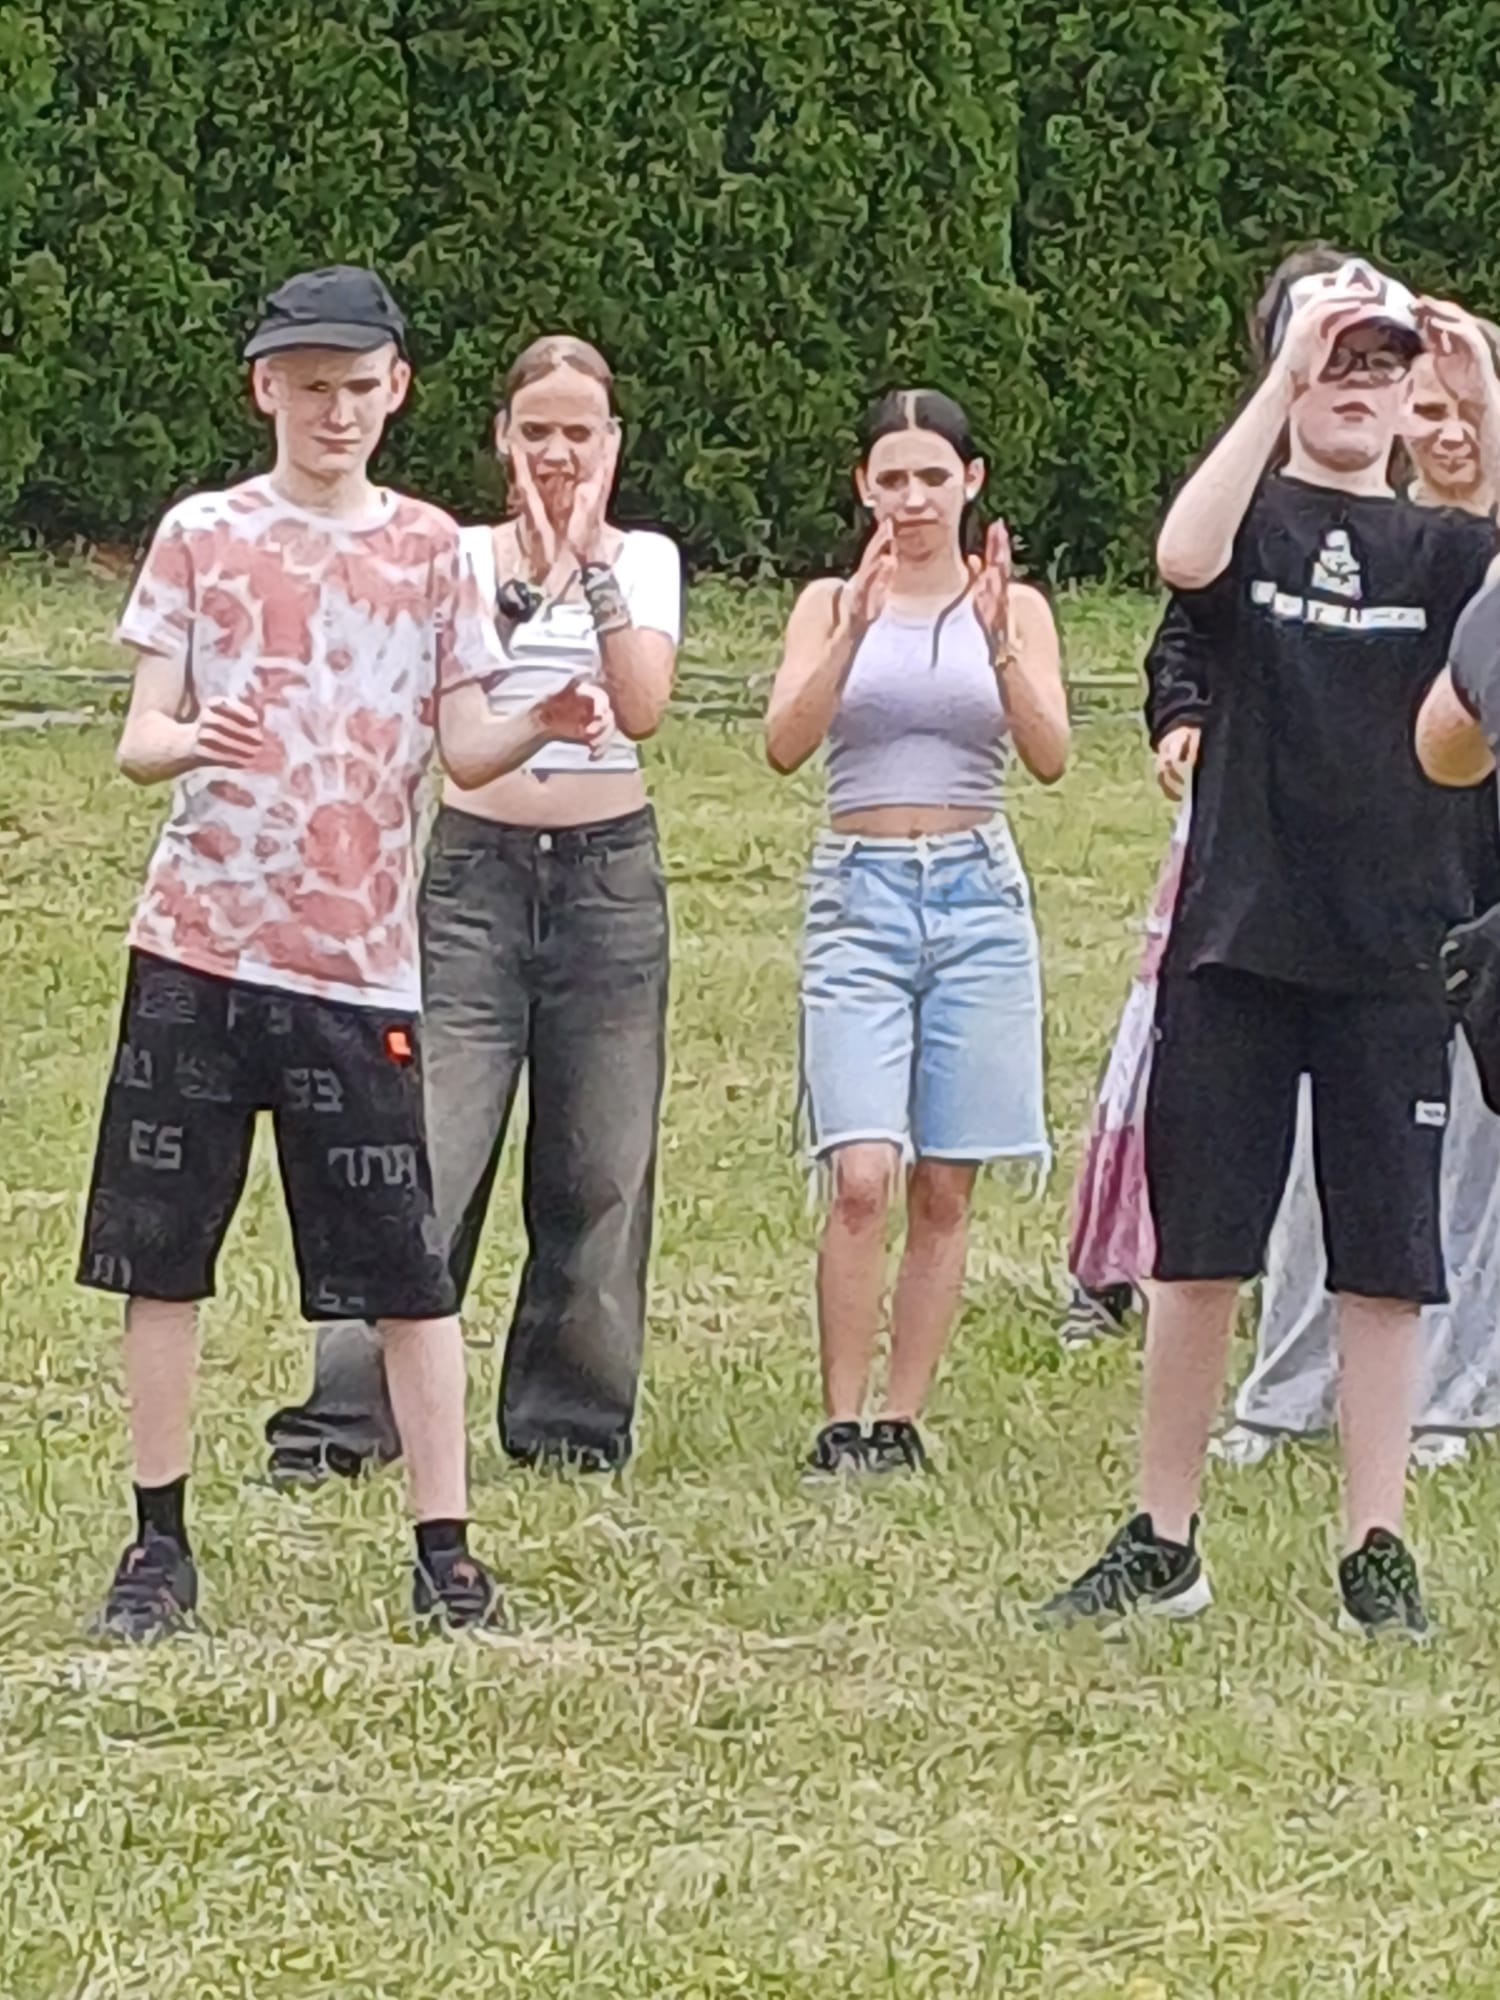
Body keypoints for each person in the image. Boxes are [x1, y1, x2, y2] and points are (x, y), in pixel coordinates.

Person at [80, 268, 612, 1638]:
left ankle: (446, 1550)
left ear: (397, 393)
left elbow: (465, 744)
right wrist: (187, 741)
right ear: (265, 389)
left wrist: (543, 718)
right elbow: (140, 737)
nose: (335, 412)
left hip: (357, 964)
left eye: (359, 388)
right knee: (162, 1254)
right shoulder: (202, 534)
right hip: (198, 945)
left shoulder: (431, 550)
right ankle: (157, 1541)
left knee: (404, 1269)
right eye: (310, 388)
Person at [1041, 256, 1500, 1636]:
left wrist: (1485, 401)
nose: (1361, 388)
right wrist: (1284, 378)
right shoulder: (1250, 518)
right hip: (1238, 940)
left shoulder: (1444, 549)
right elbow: (1183, 559)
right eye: (1335, 363)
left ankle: (1376, 1545)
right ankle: (1163, 1536)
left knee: (1386, 1259)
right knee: (1199, 1250)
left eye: (1384, 365)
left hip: (1395, 947)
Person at [263, 334, 680, 1483]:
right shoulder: (453, 553)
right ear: (502, 437)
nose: (557, 453)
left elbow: (642, 702)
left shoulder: (645, 559)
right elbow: (453, 686)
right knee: (426, 1146)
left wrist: (590, 563)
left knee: (602, 1160)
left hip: (607, 880)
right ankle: (349, 1415)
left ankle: (571, 1421)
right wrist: (540, 563)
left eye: (579, 433)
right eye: (536, 430)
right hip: (474, 878)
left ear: (612, 445)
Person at [765, 389, 1068, 1475]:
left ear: (970, 482)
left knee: (946, 1180)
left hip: (977, 894)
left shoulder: (1015, 606)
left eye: (933, 477)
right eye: (891, 479)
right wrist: (850, 634)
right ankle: (838, 1418)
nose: (912, 499)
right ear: (864, 488)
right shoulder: (828, 602)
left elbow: (1051, 756)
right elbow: (784, 744)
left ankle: (901, 1418)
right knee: (862, 1172)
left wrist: (998, 644)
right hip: (861, 893)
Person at [1215, 318, 1500, 1468]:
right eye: (1426, 408)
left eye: (1464, 412)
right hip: (1360, 899)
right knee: (1314, 1165)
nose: (1447, 430)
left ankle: (1453, 1396)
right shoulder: (1382, 541)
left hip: (1473, 890)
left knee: (1467, 1162)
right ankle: (1286, 1390)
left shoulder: (1474, 557)